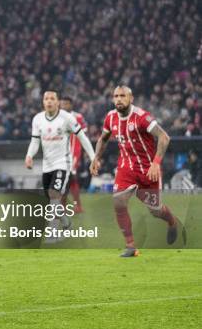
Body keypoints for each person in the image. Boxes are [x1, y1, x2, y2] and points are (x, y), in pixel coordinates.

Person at [90, 86, 180, 257]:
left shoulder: (141, 117)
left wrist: (156, 163)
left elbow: (164, 137)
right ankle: (131, 246)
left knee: (155, 211)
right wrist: (96, 158)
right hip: (126, 169)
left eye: (122, 96)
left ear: (131, 98)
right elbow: (103, 138)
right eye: (116, 96)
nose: (118, 99)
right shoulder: (110, 117)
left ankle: (172, 221)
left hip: (148, 171)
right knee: (119, 202)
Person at [24, 91, 95, 240]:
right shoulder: (37, 119)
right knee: (51, 200)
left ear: (57, 102)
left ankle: (53, 233)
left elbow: (82, 137)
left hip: (63, 163)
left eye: (52, 99)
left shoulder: (67, 118)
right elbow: (35, 141)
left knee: (54, 195)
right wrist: (29, 155)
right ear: (43, 102)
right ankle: (67, 224)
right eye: (46, 99)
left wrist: (93, 157)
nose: (49, 101)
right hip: (47, 165)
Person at [60, 96, 87, 213]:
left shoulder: (78, 117)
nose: (64, 106)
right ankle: (72, 206)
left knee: (69, 178)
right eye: (62, 104)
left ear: (71, 105)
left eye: (66, 104)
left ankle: (73, 206)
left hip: (74, 152)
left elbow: (84, 131)